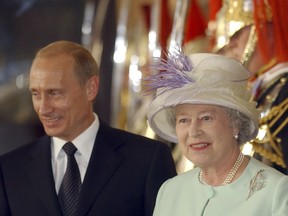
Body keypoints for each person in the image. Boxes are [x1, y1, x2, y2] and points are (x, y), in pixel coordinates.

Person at [0, 40, 177, 216]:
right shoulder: (10, 170)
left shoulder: (146, 160)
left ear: (91, 88)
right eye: (36, 94)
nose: (44, 108)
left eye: (55, 93)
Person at [144, 49, 288, 215]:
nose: (193, 132)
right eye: (184, 120)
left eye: (206, 118)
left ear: (235, 123)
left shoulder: (277, 192)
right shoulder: (170, 191)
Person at [215, 0, 288, 174]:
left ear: (268, 31)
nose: (231, 44)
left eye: (238, 33)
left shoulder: (284, 93)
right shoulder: (260, 89)